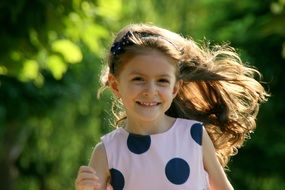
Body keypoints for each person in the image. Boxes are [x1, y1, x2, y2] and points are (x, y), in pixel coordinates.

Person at [75, 23, 269, 190]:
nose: (150, 91)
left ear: (175, 88)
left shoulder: (194, 136)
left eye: (162, 81)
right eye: (138, 79)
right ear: (116, 85)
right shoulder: (107, 151)